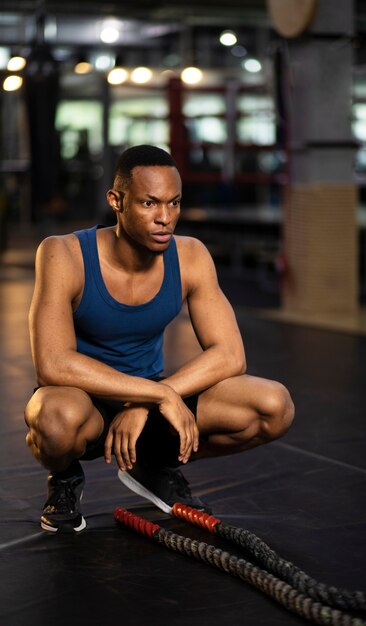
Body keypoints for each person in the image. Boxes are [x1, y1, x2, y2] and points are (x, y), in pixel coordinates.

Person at [24, 145, 295, 533]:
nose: (165, 218)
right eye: (149, 203)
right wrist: (159, 396)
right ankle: (65, 476)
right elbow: (52, 363)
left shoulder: (190, 256)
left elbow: (230, 355)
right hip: (83, 397)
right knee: (52, 420)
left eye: (174, 203)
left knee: (274, 406)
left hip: (152, 396)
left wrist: (154, 396)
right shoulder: (63, 253)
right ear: (116, 201)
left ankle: (154, 466)